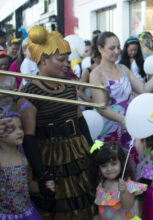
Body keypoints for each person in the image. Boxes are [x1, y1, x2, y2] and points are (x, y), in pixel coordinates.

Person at [18, 25, 97, 219]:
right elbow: (28, 137)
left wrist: (93, 150)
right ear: (43, 60)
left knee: (85, 201)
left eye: (67, 59)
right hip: (50, 156)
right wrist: (41, 173)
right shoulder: (29, 93)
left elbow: (80, 120)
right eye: (60, 60)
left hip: (77, 151)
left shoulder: (70, 86)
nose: (66, 64)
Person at [90, 31, 153, 150]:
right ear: (100, 48)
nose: (116, 51)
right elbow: (101, 108)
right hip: (108, 130)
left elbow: (143, 89)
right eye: (112, 48)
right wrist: (122, 119)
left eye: (118, 47)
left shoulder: (123, 69)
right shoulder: (96, 75)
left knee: (132, 162)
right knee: (112, 164)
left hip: (129, 126)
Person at [0, 106, 44, 219]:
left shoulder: (23, 158)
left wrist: (43, 187)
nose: (19, 132)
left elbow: (28, 184)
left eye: (20, 127)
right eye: (12, 129)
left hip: (27, 213)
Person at [90, 141, 147, 220]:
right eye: (104, 166)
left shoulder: (127, 184)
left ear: (121, 163)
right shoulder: (101, 184)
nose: (109, 169)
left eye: (113, 164)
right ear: (99, 168)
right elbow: (102, 207)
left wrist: (124, 192)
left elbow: (128, 206)